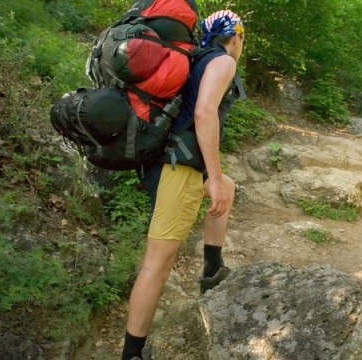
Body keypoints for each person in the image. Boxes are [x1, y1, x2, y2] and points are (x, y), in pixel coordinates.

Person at [120, 10, 246, 360]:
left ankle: (212, 269)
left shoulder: (195, 58)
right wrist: (214, 178)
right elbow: (205, 114)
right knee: (156, 265)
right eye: (242, 40)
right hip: (178, 168)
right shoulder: (221, 62)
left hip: (166, 160)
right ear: (235, 37)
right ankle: (132, 353)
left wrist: (218, 180)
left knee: (228, 188)